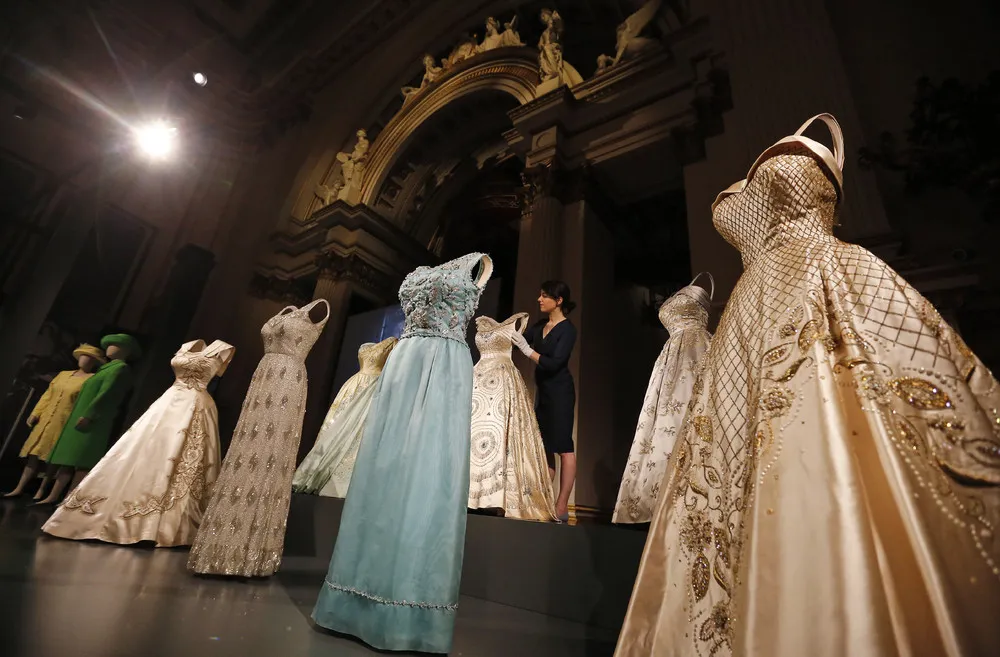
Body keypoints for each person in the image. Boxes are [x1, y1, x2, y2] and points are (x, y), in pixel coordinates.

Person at [511, 280, 577, 521]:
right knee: (545, 446)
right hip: (544, 393)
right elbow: (517, 343)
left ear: (558, 301)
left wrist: (529, 351)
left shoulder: (568, 330)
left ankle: (562, 505)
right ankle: (542, 501)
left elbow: (555, 363)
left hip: (560, 393)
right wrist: (508, 333)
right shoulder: (540, 326)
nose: (539, 300)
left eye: (544, 296)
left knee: (563, 447)